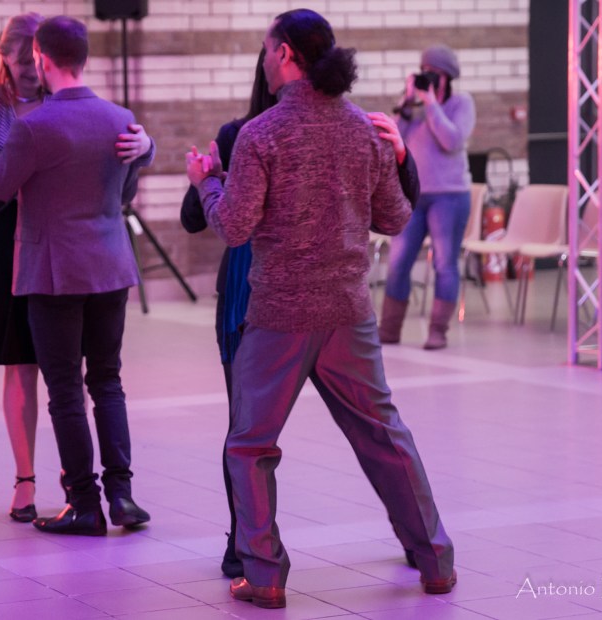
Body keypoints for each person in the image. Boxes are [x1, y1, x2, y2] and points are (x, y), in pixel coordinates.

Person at [186, 9, 455, 608]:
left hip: (280, 317)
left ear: (285, 54)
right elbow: (395, 219)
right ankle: (435, 559)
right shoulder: (363, 128)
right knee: (383, 435)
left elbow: (233, 227)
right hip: (349, 313)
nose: (263, 61)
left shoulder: (261, 134)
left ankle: (264, 576)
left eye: (266, 50)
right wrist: (396, 159)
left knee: (250, 445)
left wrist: (207, 180)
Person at [0, 13, 152, 524]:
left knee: (64, 387)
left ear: (42, 58)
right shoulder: (119, 115)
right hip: (103, 261)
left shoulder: (36, 126)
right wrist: (144, 153)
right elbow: (123, 192)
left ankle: (84, 504)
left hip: (50, 262)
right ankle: (119, 495)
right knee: (104, 380)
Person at [379, 44, 476, 349]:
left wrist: (432, 104)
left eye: (434, 73)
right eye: (424, 71)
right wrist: (406, 102)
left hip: (450, 196)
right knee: (398, 263)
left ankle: (438, 331)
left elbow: (451, 140)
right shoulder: (414, 108)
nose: (429, 78)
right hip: (414, 196)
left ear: (448, 77)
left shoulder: (461, 103)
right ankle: (389, 329)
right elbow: (390, 138)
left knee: (444, 264)